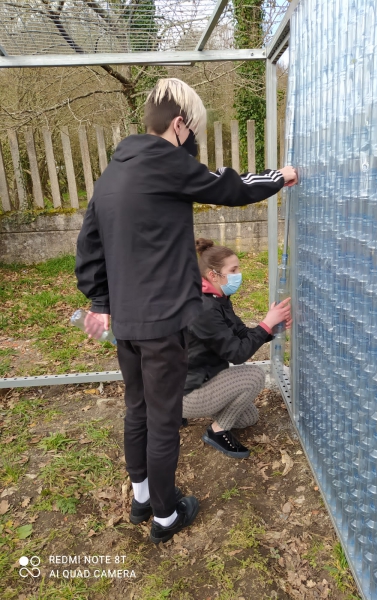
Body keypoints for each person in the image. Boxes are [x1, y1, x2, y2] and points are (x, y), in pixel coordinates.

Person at [75, 77, 298, 544]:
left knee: (136, 409)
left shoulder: (113, 172)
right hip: (161, 324)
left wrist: (100, 301)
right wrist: (280, 176)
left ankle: (140, 498)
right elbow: (228, 186)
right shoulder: (166, 161)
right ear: (179, 125)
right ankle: (165, 515)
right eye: (191, 130)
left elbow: (89, 245)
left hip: (129, 324)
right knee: (161, 418)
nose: (191, 140)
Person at [183, 239, 292, 457]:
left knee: (249, 418)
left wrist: (271, 329)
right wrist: (266, 323)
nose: (239, 273)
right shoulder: (203, 308)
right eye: (233, 269)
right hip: (186, 390)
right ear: (213, 275)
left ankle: (202, 411)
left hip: (205, 377)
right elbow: (238, 353)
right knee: (254, 376)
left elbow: (241, 334)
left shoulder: (218, 298)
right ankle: (216, 432)